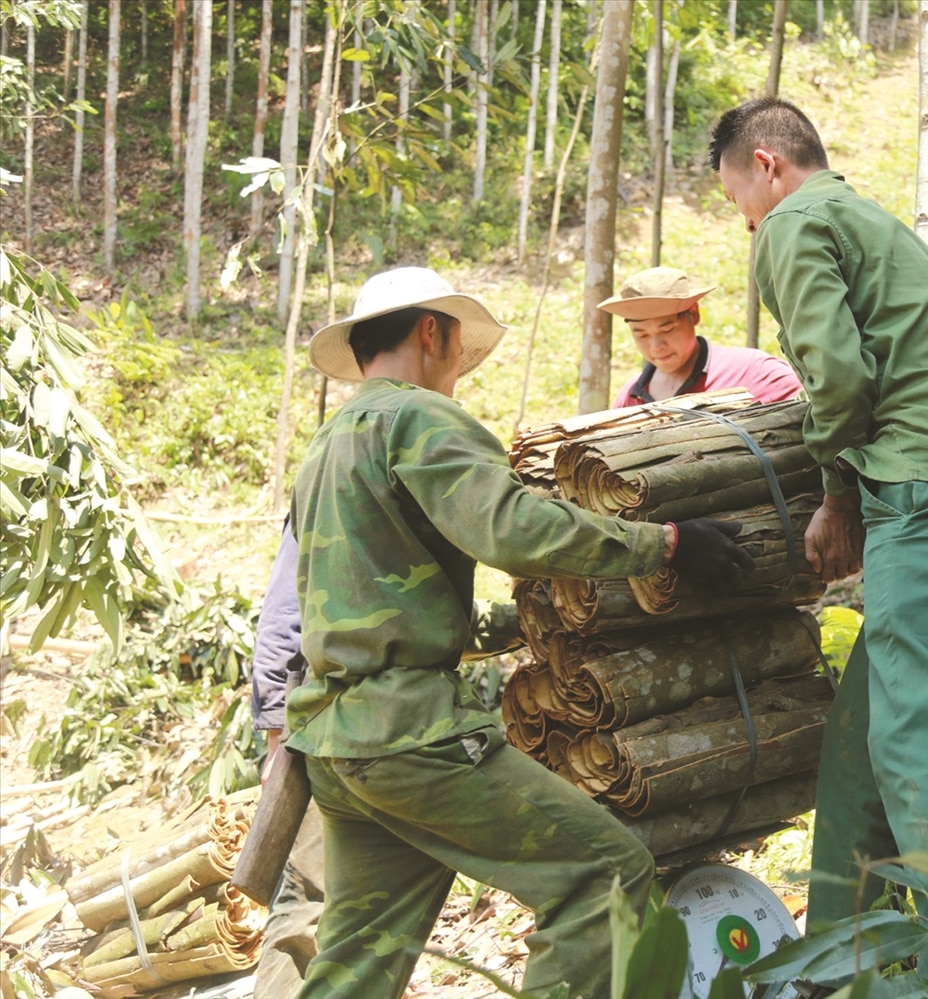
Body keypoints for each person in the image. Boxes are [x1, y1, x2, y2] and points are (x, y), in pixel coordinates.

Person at [277, 266, 752, 999]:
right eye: (459, 346)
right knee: (604, 876)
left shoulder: (330, 441)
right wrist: (663, 545)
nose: (459, 366)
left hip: (340, 743)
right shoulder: (418, 418)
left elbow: (371, 593)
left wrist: (516, 624)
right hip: (411, 736)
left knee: (359, 957)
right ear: (433, 331)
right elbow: (509, 524)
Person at [710, 99, 928, 989]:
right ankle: (837, 965)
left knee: (912, 731)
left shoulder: (796, 221)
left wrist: (835, 489)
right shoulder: (868, 218)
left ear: (767, 165)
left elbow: (839, 375)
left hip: (925, 491)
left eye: (739, 198)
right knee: (861, 746)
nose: (745, 219)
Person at [248, 523, 525, 998]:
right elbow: (284, 614)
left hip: (385, 728)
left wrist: (525, 622)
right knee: (308, 908)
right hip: (322, 724)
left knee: (355, 922)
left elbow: (416, 614)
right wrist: (277, 734)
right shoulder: (335, 482)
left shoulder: (382, 500)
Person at [598, 265, 802, 407]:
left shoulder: (755, 373)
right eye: (641, 335)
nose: (656, 346)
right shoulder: (629, 398)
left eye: (667, 329)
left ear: (694, 314)